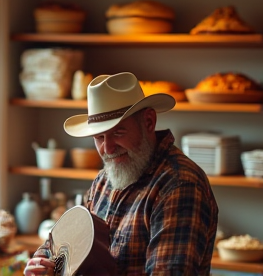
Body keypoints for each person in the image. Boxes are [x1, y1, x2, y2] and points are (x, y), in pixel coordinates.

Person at [24, 72, 218, 276]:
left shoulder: (180, 185)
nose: (107, 149)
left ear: (149, 122)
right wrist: (42, 262)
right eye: (99, 137)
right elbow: (63, 241)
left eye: (118, 133)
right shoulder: (105, 179)